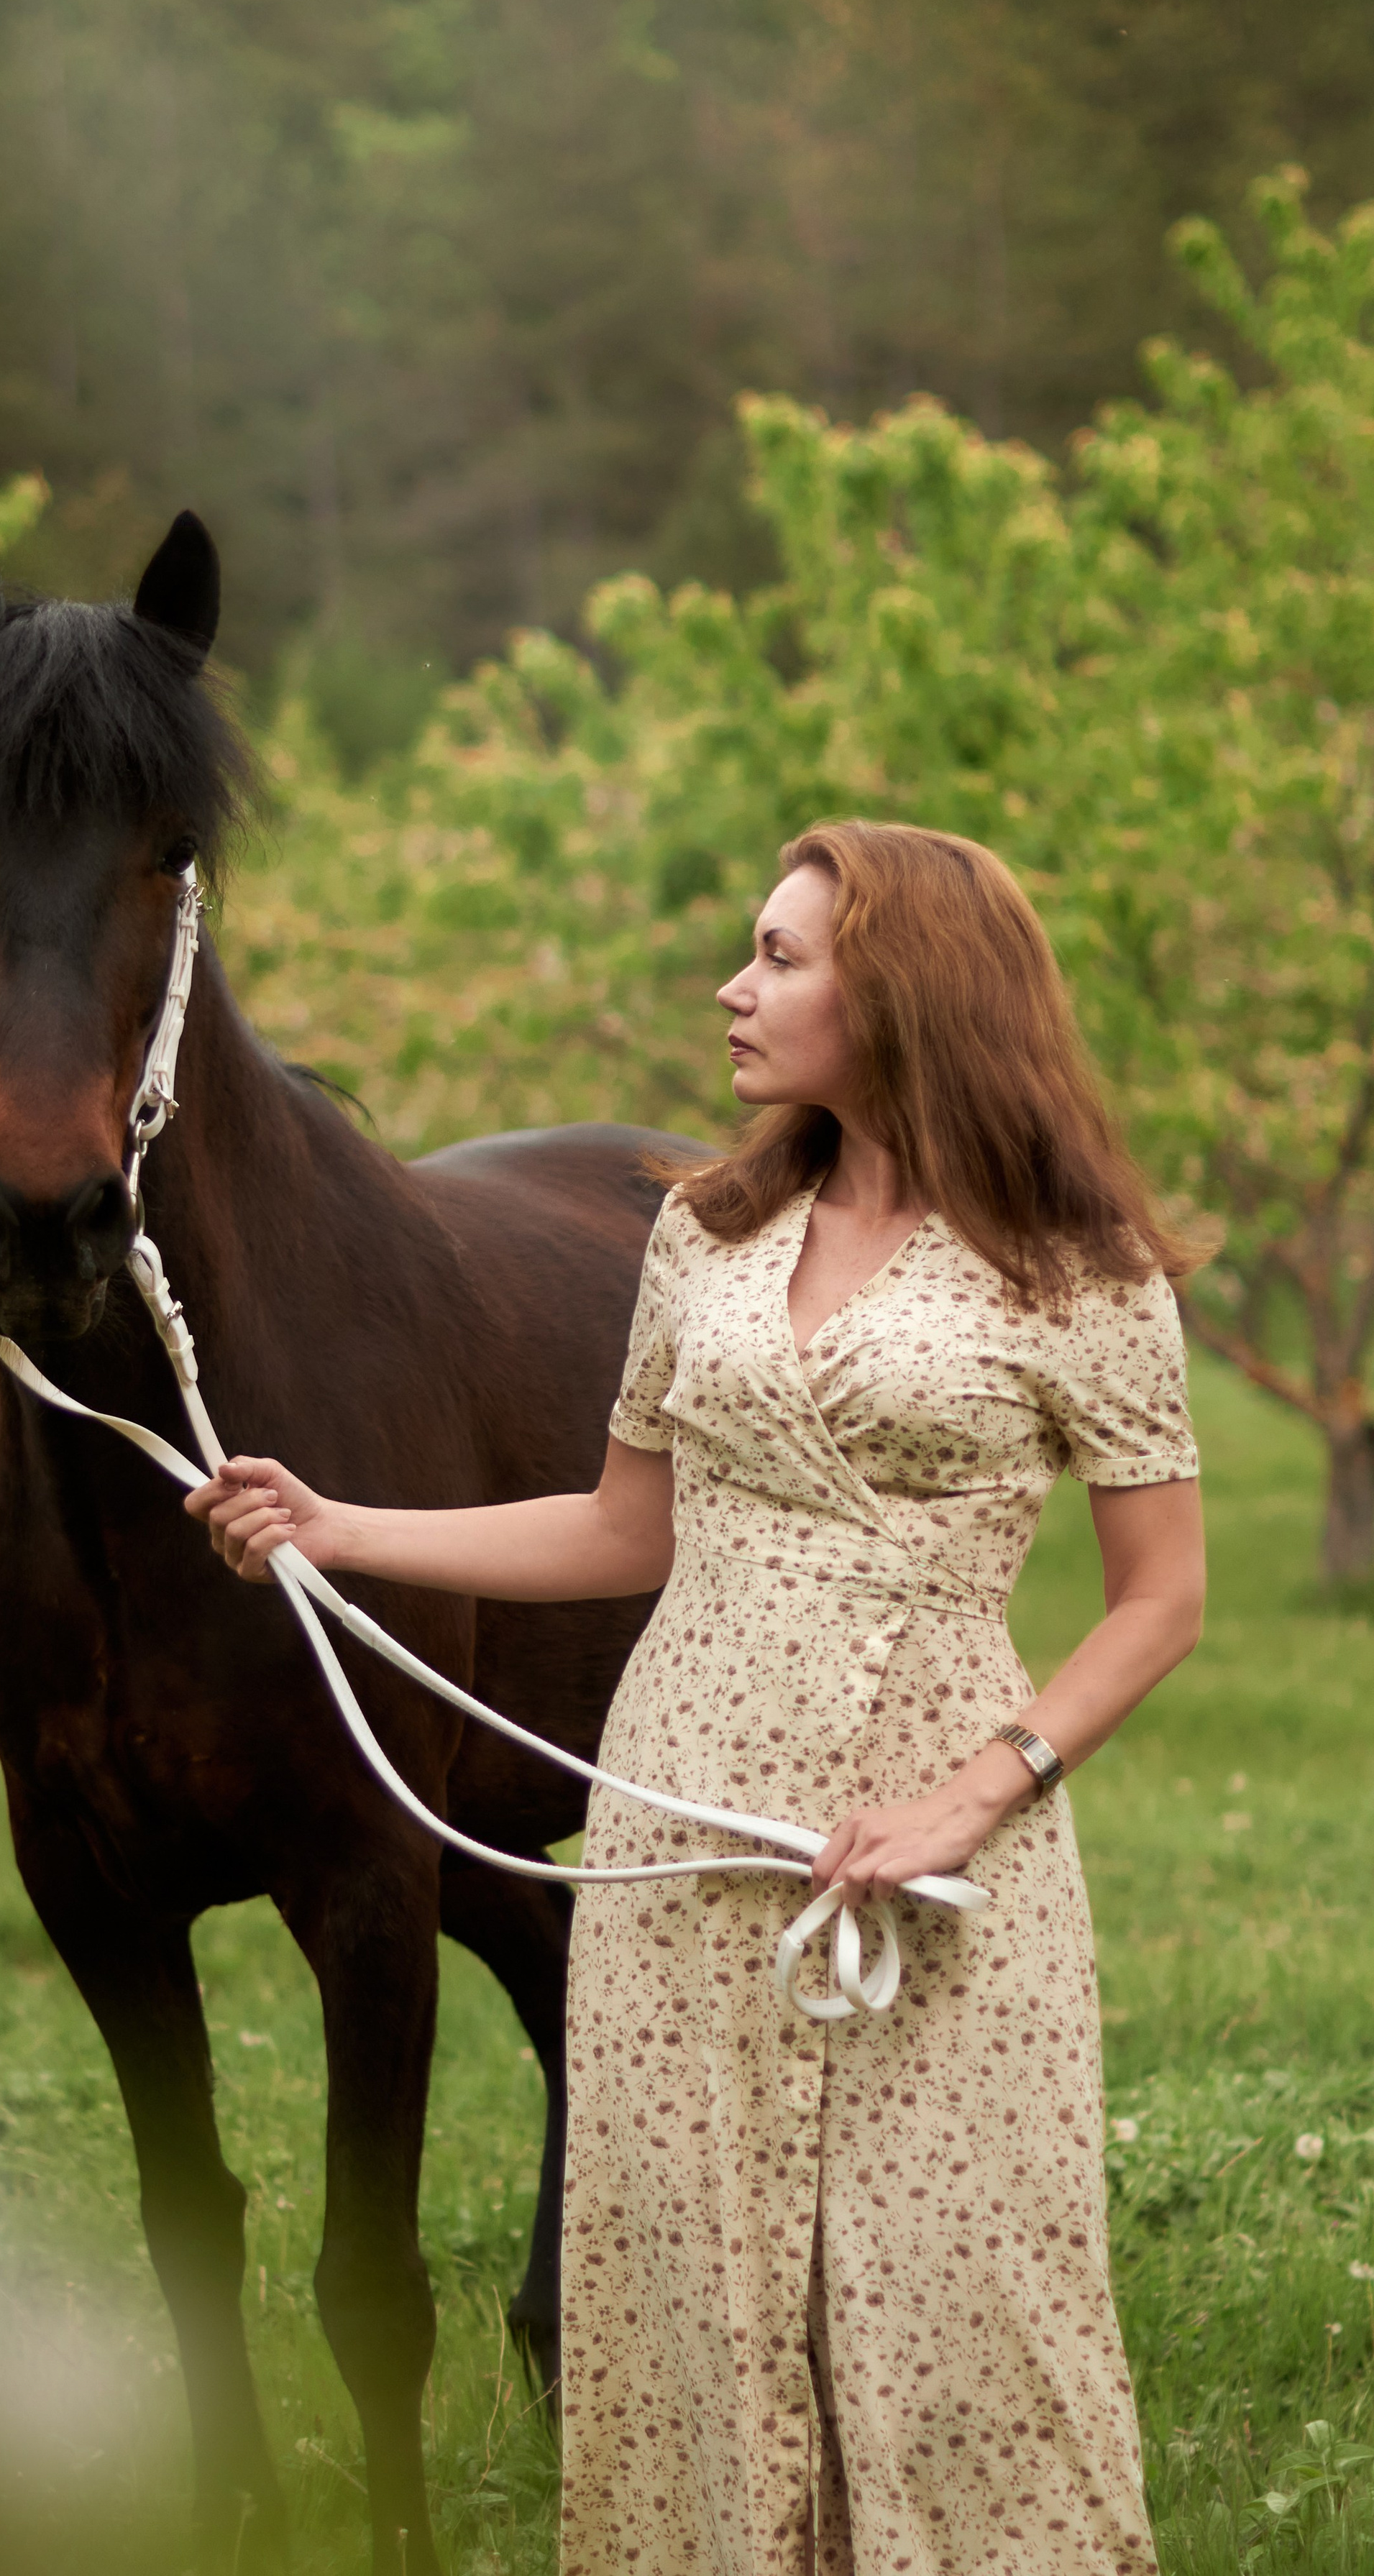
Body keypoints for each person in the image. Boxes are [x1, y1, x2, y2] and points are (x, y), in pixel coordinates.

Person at [185, 820, 1205, 2576]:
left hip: (930, 1813)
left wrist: (981, 1786)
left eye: (780, 955)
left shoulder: (1073, 1262)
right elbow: (617, 1523)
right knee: (688, 2274)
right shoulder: (706, 1236)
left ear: (901, 991)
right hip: (682, 1805)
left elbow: (1160, 1597)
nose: (733, 988)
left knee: (959, 2275)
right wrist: (334, 1523)